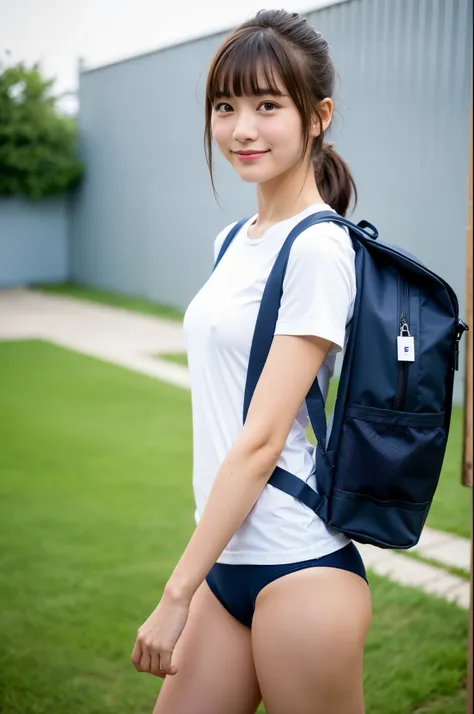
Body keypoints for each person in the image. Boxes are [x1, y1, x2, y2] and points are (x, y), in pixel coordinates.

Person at [131, 9, 372, 714]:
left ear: (317, 115)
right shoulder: (233, 239)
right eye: (225, 105)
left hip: (300, 568)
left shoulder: (321, 249)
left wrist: (175, 595)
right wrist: (198, 578)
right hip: (226, 565)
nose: (242, 129)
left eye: (268, 105)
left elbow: (263, 440)